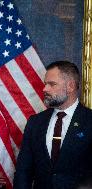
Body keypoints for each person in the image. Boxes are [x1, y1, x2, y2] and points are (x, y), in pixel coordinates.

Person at [13, 61, 92, 189]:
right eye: (45, 84)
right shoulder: (35, 122)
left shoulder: (89, 121)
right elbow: (23, 171)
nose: (45, 89)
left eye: (52, 84)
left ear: (70, 86)